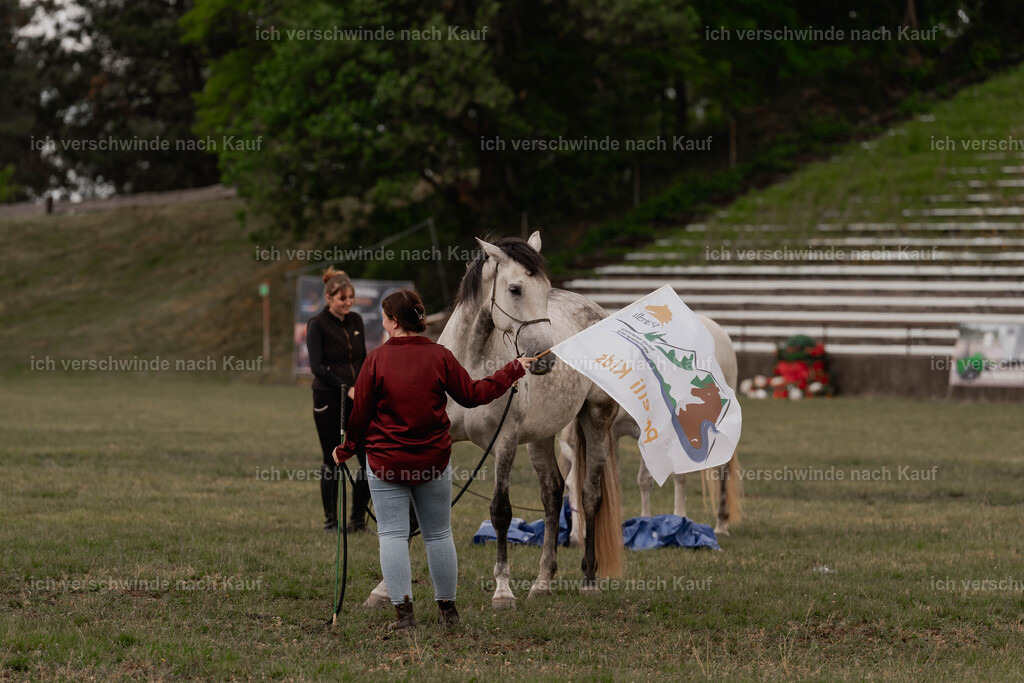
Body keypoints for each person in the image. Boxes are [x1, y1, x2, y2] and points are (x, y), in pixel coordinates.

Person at [333, 289, 535, 631]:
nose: (383, 323)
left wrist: (346, 448)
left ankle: (405, 617)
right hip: (433, 461)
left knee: (393, 536)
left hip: (386, 463)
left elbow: (360, 414)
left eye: (384, 318)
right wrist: (512, 370)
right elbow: (473, 395)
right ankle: (448, 612)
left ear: (394, 322)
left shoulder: (376, 360)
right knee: (439, 535)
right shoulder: (440, 356)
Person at [307, 267, 371, 532]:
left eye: (350, 298)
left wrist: (366, 386)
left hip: (358, 399)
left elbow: (363, 358)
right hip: (328, 399)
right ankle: (331, 523)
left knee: (369, 462)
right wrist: (345, 387)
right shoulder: (316, 324)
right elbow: (317, 366)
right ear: (329, 298)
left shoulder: (356, 321)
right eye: (342, 299)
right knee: (331, 459)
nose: (347, 303)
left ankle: (357, 520)